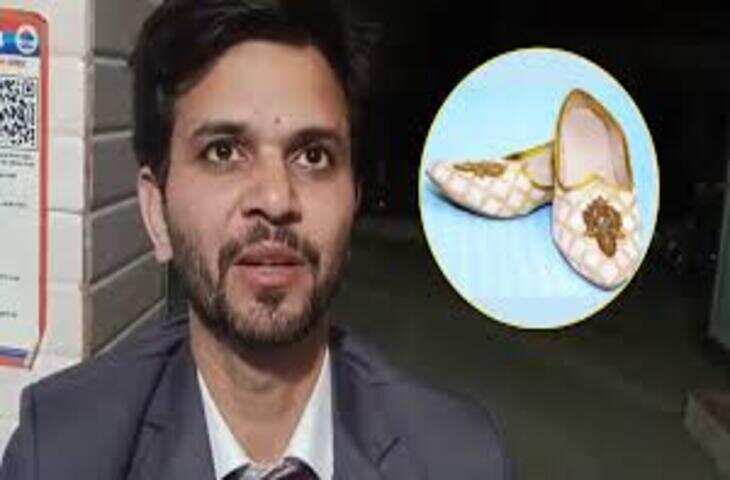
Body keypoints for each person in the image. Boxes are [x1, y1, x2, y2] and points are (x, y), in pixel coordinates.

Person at [0, 1, 512, 478]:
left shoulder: (460, 458)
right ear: (157, 212)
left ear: (353, 200)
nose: (275, 198)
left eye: (313, 156)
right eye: (223, 152)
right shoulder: (61, 453)